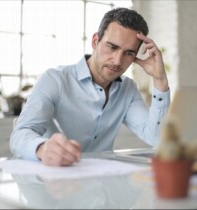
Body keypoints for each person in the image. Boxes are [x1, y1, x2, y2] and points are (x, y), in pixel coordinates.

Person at [10, 7, 170, 166]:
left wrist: (160, 80)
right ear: (95, 41)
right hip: (53, 182)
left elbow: (155, 138)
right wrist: (42, 148)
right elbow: (20, 135)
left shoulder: (128, 89)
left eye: (128, 53)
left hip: (102, 183)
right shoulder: (55, 80)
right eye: (112, 47)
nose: (117, 61)